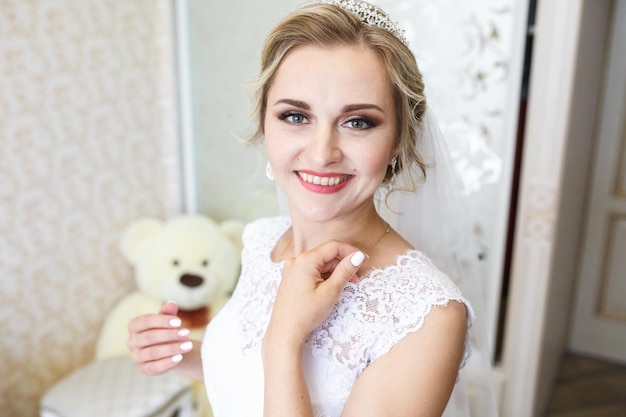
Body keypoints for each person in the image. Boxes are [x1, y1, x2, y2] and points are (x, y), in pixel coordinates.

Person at [128, 1, 497, 416]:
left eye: (357, 121)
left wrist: (284, 341)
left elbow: (277, 361)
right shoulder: (262, 240)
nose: (322, 154)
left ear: (398, 141)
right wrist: (183, 355)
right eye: (295, 116)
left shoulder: (428, 317)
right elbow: (246, 382)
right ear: (264, 123)